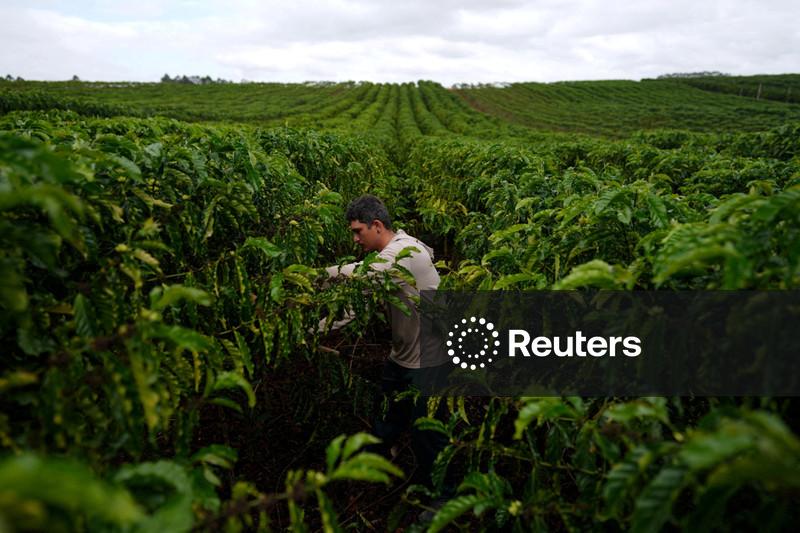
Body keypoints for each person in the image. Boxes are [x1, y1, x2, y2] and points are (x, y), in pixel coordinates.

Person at [321, 194, 448, 490]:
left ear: (376, 225)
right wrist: (312, 330)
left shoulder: (405, 253)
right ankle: (376, 463)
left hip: (430, 362)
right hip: (403, 355)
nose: (355, 239)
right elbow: (356, 306)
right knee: (386, 415)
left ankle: (443, 494)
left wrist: (313, 277)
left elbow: (360, 276)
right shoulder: (387, 257)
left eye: (358, 231)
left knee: (428, 434)